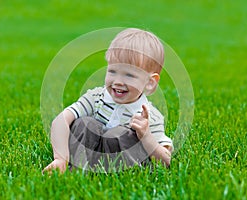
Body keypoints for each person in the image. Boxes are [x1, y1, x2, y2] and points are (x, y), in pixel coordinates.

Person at [43, 28, 173, 173]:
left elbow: (166, 161)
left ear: (150, 82)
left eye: (129, 75)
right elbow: (60, 121)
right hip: (89, 157)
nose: (117, 81)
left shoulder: (149, 116)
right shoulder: (96, 98)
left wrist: (146, 135)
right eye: (112, 71)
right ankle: (77, 169)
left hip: (122, 167)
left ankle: (119, 174)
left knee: (120, 135)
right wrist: (60, 158)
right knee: (83, 124)